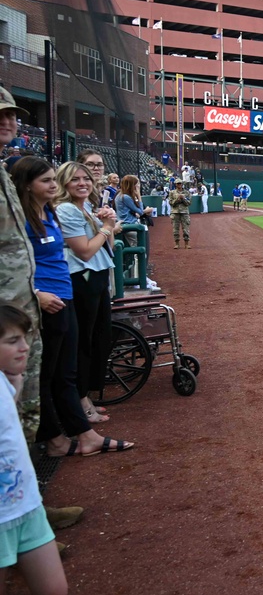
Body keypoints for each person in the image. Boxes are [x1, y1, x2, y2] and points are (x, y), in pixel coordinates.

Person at [14, 159, 135, 456]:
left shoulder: (50, 212)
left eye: (55, 179)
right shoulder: (25, 217)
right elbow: (81, 252)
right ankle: (64, 436)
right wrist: (36, 292)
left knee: (64, 369)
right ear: (28, 185)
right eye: (47, 180)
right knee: (52, 372)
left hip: (64, 293)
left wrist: (104, 225)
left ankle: (74, 434)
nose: (53, 185)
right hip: (49, 298)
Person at [0, 303, 69, 595]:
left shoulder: (8, 380)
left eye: (24, 339)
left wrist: (14, 385)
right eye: (13, 341)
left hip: (27, 505)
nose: (25, 348)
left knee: (55, 589)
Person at [53, 161, 123, 424]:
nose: (82, 183)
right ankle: (80, 399)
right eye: (75, 179)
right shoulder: (67, 209)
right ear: (64, 183)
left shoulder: (84, 209)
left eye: (86, 179)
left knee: (98, 337)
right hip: (81, 278)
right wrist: (105, 228)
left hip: (95, 275)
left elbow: (109, 248)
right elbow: (84, 250)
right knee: (84, 340)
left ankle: (84, 395)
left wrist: (107, 223)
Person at [0, 88, 42, 443]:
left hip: (21, 307)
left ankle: (28, 498)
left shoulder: (3, 172)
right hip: (3, 314)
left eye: (11, 114)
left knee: (23, 403)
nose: (7, 121)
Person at [115, 175, 153, 267]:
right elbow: (140, 211)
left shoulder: (121, 195)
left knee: (138, 252)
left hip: (128, 224)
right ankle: (140, 277)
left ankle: (141, 277)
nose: (138, 186)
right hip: (130, 226)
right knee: (139, 253)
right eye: (137, 184)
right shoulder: (125, 196)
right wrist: (139, 195)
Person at [168, 181, 192, 248]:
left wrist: (183, 199)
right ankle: (177, 243)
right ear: (175, 184)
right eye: (178, 184)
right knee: (175, 229)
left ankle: (186, 243)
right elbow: (171, 203)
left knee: (186, 229)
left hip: (184, 212)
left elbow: (189, 203)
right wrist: (177, 199)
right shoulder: (172, 192)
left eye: (180, 183)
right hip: (175, 212)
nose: (179, 185)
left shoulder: (186, 192)